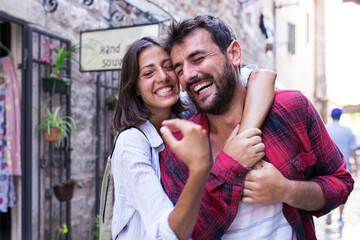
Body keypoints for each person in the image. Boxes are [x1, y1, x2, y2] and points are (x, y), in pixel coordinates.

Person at [159, 15, 354, 240]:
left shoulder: (292, 108)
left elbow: (341, 183)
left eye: (198, 58)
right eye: (179, 69)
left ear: (234, 54)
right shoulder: (178, 146)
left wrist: (286, 190)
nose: (188, 75)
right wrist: (229, 166)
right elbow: (190, 235)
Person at [111, 37, 277, 239]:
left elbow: (262, 77)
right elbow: (165, 234)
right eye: (148, 73)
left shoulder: (186, 111)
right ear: (135, 87)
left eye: (169, 67)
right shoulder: (132, 143)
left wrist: (243, 140)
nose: (163, 77)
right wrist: (222, 162)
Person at [325, 108, 358, 226]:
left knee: (327, 189)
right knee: (343, 191)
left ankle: (328, 213)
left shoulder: (325, 128)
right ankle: (340, 216)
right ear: (340, 117)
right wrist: (355, 166)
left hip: (327, 166)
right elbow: (353, 150)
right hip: (344, 166)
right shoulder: (348, 131)